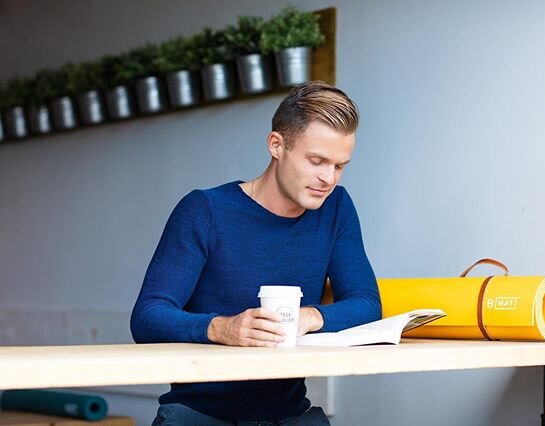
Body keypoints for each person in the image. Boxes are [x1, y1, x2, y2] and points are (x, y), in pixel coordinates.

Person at [131, 81, 381, 426]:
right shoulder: (204, 210)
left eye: (339, 166)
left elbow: (367, 303)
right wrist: (222, 329)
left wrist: (310, 317)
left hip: (290, 416)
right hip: (200, 416)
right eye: (316, 161)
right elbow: (147, 316)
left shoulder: (336, 208)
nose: (328, 178)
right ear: (277, 145)